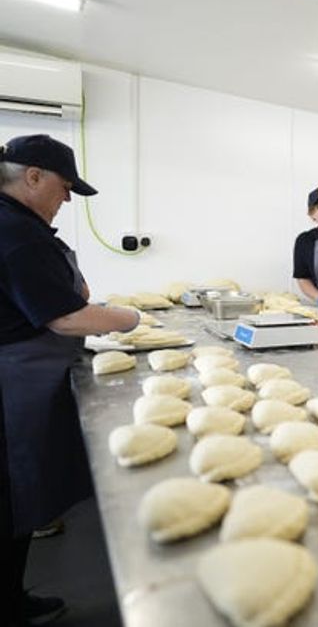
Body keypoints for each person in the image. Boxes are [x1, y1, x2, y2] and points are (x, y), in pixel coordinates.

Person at [0, 134, 141, 626]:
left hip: (27, 373)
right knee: (13, 495)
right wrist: (130, 319)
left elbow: (69, 295)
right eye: (65, 188)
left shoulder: (22, 226)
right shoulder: (15, 231)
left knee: (17, 501)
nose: (66, 199)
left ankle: (12, 599)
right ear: (33, 176)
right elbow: (64, 317)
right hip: (14, 381)